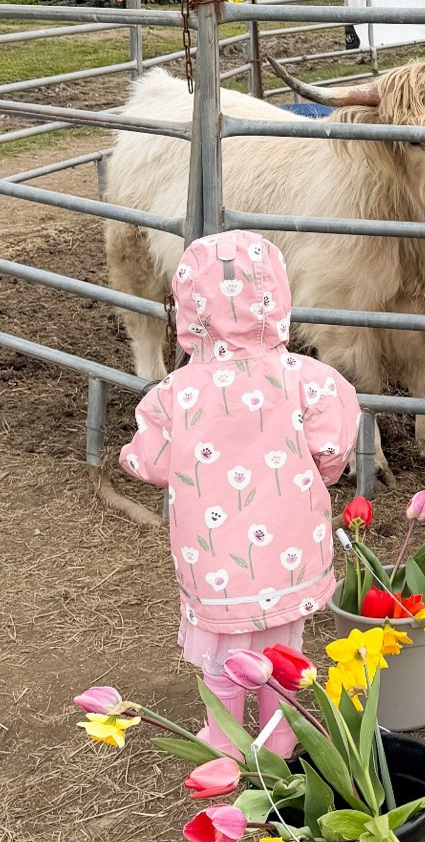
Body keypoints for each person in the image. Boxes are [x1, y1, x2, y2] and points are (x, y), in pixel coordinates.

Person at [120, 229, 360, 754]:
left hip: (214, 561)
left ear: (188, 307)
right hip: (290, 552)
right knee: (284, 649)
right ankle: (278, 739)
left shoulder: (176, 393)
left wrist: (133, 457)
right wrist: (321, 473)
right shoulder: (309, 379)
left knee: (225, 649)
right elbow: (333, 446)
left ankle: (223, 738)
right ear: (277, 299)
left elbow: (151, 461)